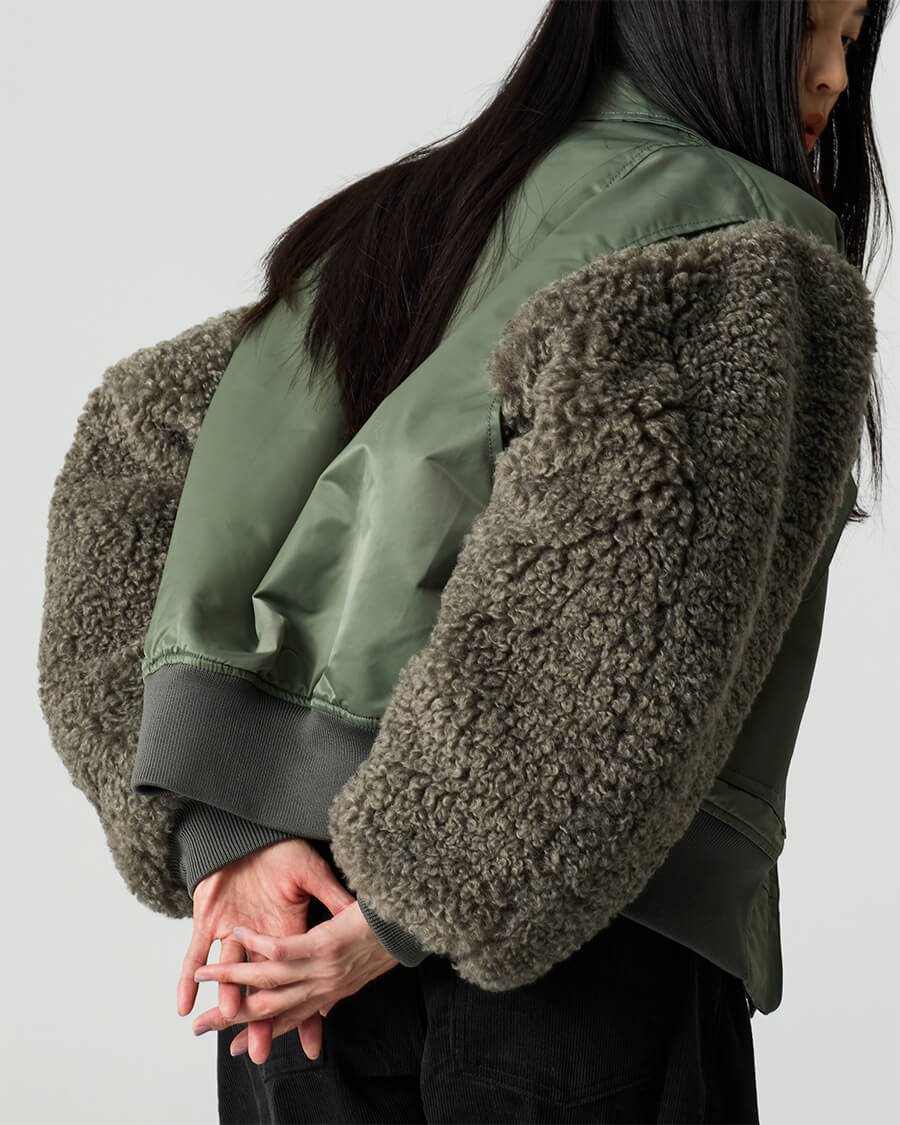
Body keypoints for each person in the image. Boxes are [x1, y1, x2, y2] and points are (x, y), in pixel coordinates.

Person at [38, 1, 890, 1122]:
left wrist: (231, 835)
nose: (832, 76)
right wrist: (416, 901)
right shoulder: (737, 244)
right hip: (578, 947)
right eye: (811, 26)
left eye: (854, 35)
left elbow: (132, 459)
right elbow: (624, 616)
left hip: (293, 948)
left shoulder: (415, 213)